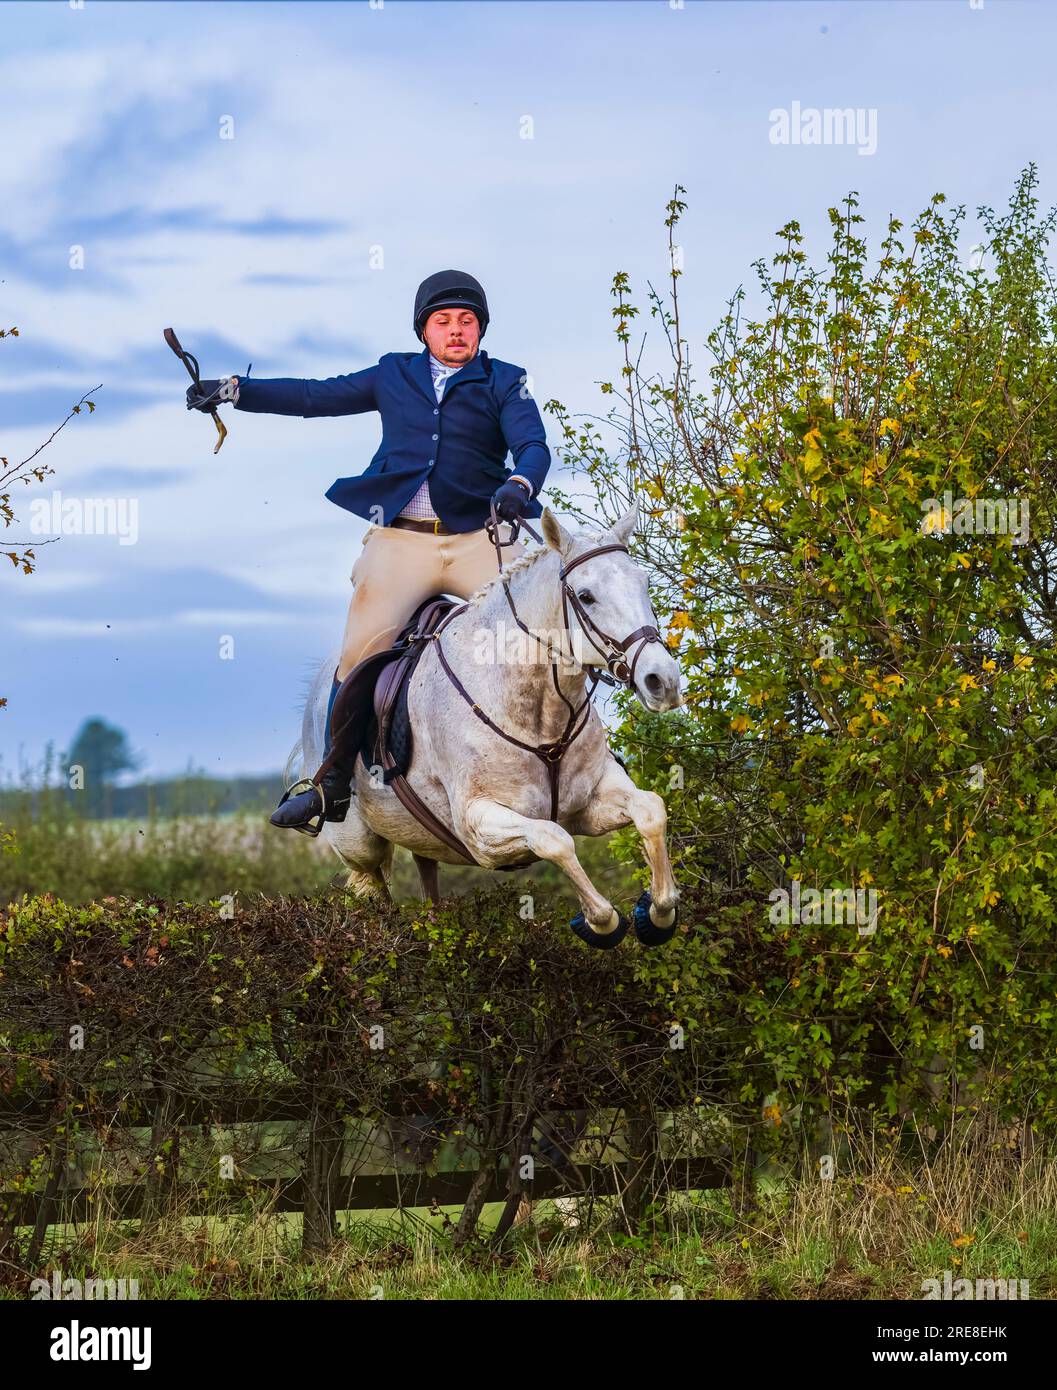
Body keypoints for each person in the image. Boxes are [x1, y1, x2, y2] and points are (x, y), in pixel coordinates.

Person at [186, 270, 550, 829]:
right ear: (423, 330)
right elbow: (315, 397)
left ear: (481, 330)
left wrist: (519, 485)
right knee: (358, 650)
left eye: (467, 322)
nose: (456, 331)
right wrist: (238, 389)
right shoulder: (391, 373)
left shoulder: (506, 381)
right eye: (444, 322)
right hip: (400, 540)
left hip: (479, 536)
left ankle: (577, 759)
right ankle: (332, 783)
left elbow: (532, 444)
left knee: (538, 638)